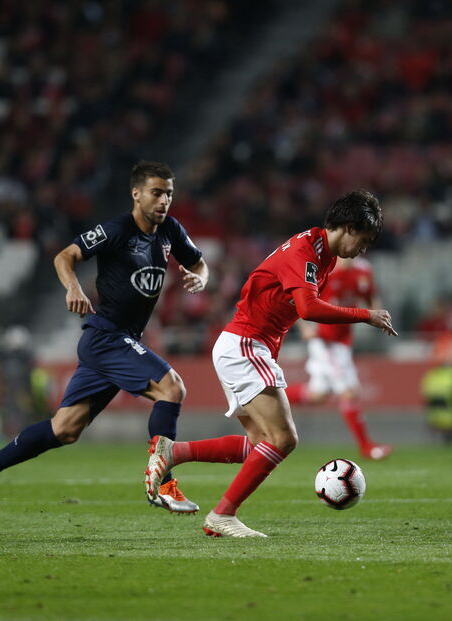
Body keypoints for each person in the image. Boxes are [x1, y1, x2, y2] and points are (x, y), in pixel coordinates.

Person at [0, 161, 210, 514]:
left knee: (65, 430)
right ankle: (163, 484)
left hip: (117, 341)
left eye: (169, 194)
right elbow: (65, 256)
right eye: (156, 193)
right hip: (106, 337)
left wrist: (201, 277)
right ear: (136, 194)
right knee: (172, 388)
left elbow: (199, 262)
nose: (164, 201)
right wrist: (74, 287)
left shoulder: (170, 230)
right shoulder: (116, 230)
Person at [145, 190, 397, 537]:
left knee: (259, 443)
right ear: (349, 227)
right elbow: (308, 309)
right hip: (247, 344)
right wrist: (364, 315)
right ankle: (222, 515)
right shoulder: (307, 251)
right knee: (284, 439)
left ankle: (174, 451)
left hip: (248, 345)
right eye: (363, 241)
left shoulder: (322, 254)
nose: (362, 251)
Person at [284, 256, 393, 460]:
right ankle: (366, 447)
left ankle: (265, 398)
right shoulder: (324, 269)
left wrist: (379, 316)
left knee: (318, 394)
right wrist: (305, 328)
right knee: (349, 393)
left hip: (343, 341)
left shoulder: (363, 270)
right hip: (325, 340)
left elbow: (371, 297)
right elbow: (296, 298)